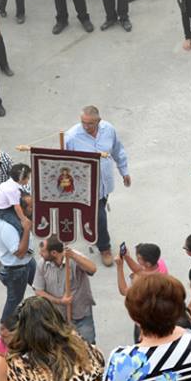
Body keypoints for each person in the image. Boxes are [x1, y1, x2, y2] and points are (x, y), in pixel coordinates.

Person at [64, 106, 129, 266]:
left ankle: (92, 228)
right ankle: (104, 247)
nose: (86, 127)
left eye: (90, 123)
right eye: (83, 122)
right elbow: (64, 161)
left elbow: (117, 151)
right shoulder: (72, 136)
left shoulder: (109, 130)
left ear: (99, 121)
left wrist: (124, 171)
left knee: (98, 211)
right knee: (100, 216)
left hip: (105, 183)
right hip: (85, 186)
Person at [33, 234, 98, 343]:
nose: (40, 254)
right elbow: (39, 291)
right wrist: (60, 301)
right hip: (57, 318)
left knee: (88, 345)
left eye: (43, 251)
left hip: (81, 315)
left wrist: (73, 255)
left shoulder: (73, 257)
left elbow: (92, 269)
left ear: (54, 253)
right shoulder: (42, 264)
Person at [0, 194, 34, 322]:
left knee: (41, 286)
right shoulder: (8, 227)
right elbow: (20, 253)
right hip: (16, 269)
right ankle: (5, 327)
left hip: (28, 261)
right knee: (14, 301)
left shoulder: (19, 220)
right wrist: (27, 229)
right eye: (31, 207)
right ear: (20, 208)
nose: (34, 209)